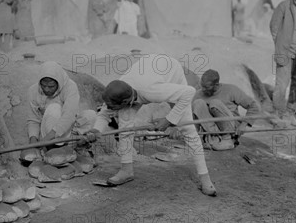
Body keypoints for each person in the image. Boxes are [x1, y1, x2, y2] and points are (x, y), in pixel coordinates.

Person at [82, 54, 217, 196]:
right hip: (147, 70)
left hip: (170, 70)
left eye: (112, 106)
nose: (108, 108)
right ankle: (126, 170)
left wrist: (169, 120)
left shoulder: (152, 91)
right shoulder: (119, 89)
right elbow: (104, 113)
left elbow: (189, 92)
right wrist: (96, 130)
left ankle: (205, 178)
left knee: (187, 128)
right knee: (125, 126)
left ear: (125, 101)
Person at [21, 61, 96, 161]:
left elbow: (69, 115)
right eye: (43, 85)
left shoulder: (70, 87)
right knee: (54, 108)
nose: (46, 89)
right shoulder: (33, 91)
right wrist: (33, 143)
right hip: (47, 130)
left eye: (51, 86)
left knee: (91, 115)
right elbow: (33, 120)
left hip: (66, 130)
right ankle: (52, 149)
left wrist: (47, 138)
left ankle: (74, 146)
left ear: (58, 82)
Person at [192, 69, 261, 151]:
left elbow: (254, 106)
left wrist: (244, 124)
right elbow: (192, 116)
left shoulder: (231, 90)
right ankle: (213, 139)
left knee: (215, 103)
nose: (203, 89)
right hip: (211, 130)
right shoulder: (199, 94)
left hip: (230, 129)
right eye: (202, 86)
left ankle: (227, 140)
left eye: (207, 87)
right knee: (197, 103)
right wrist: (193, 134)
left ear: (216, 85)